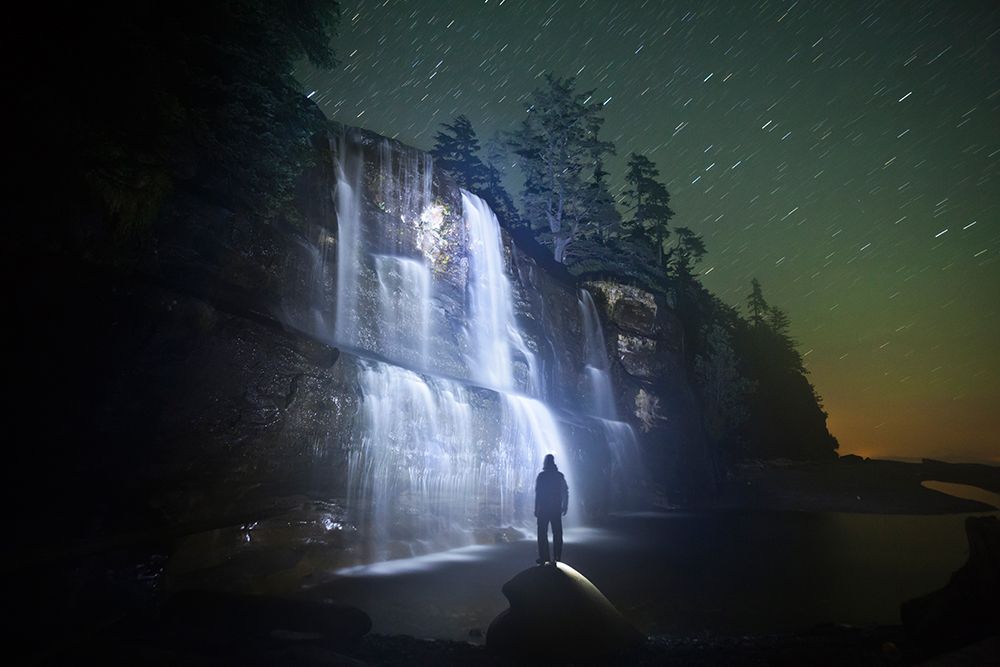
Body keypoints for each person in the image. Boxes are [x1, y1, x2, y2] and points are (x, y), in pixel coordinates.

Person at [534, 453, 568, 564]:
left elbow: (538, 494)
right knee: (557, 533)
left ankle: (544, 557)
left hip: (544, 508)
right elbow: (565, 491)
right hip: (555, 508)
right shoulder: (559, 476)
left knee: (542, 533)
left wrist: (536, 508)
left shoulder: (541, 476)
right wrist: (565, 505)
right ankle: (557, 557)